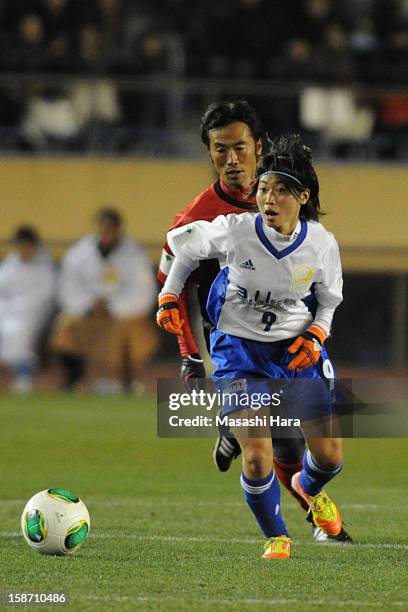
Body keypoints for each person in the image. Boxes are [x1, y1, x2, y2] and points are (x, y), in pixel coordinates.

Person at [157, 100, 351, 543]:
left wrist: (317, 330)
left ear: (257, 147)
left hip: (292, 334)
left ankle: (255, 447)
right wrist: (190, 355)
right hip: (236, 341)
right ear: (209, 154)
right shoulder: (201, 219)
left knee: (315, 449)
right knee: (274, 447)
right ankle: (309, 526)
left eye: (239, 148)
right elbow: (171, 274)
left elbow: (318, 276)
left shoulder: (288, 193)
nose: (231, 160)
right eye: (219, 150)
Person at [51, 207, 157, 393]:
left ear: (118, 229)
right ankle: (73, 380)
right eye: (102, 228)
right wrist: (89, 305)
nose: (106, 233)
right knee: (66, 326)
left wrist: (113, 307)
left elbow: (143, 292)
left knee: (122, 333)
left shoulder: (135, 256)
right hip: (89, 313)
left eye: (110, 228)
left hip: (123, 314)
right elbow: (68, 286)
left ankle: (120, 380)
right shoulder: (79, 254)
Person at [0, 225, 57, 392]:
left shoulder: (44, 265)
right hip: (8, 310)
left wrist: (19, 306)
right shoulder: (10, 264)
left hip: (34, 312)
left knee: (19, 330)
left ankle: (23, 376)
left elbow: (45, 294)